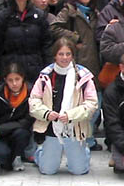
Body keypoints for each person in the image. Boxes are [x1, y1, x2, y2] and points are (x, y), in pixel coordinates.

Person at [30, 38, 98, 175]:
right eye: (61, 54)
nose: (65, 58)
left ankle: (83, 151)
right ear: (55, 55)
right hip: (51, 127)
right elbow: (33, 101)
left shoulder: (83, 76)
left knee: (79, 170)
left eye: (68, 54)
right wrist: (46, 113)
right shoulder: (45, 75)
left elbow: (92, 103)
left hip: (74, 128)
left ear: (73, 55)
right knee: (48, 170)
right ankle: (41, 152)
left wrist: (71, 115)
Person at [50, 0, 104, 151]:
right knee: (77, 103)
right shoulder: (69, 10)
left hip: (94, 63)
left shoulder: (95, 12)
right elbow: (54, 27)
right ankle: (80, 139)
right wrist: (74, 37)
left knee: (94, 104)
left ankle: (87, 137)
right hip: (77, 62)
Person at [0, 0, 53, 89]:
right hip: (11, 68)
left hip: (34, 67)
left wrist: (48, 67)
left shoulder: (39, 15)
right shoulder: (3, 16)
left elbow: (46, 44)